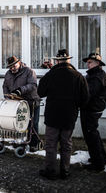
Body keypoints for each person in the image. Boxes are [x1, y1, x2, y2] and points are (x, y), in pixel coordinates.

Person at [38, 49, 88, 180]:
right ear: (69, 60)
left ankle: (50, 171)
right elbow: (85, 99)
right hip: (69, 116)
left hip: (53, 115)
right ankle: (65, 171)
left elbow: (40, 92)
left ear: (57, 61)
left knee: (51, 143)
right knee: (66, 144)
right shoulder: (78, 76)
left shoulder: (51, 74)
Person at [2, 56, 41, 151]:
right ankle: (21, 142)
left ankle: (34, 144)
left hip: (31, 101)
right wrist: (7, 97)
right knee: (20, 123)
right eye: (10, 67)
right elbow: (5, 86)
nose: (12, 69)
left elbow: (33, 85)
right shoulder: (8, 74)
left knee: (32, 123)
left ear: (19, 63)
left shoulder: (29, 71)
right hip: (18, 103)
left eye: (14, 66)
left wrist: (20, 90)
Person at [81, 52, 106, 172]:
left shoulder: (97, 76)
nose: (88, 64)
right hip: (91, 108)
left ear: (97, 63)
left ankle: (98, 164)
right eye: (87, 62)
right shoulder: (94, 74)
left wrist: (78, 99)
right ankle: (101, 158)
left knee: (91, 135)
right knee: (93, 134)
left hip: (92, 109)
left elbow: (89, 93)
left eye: (90, 62)